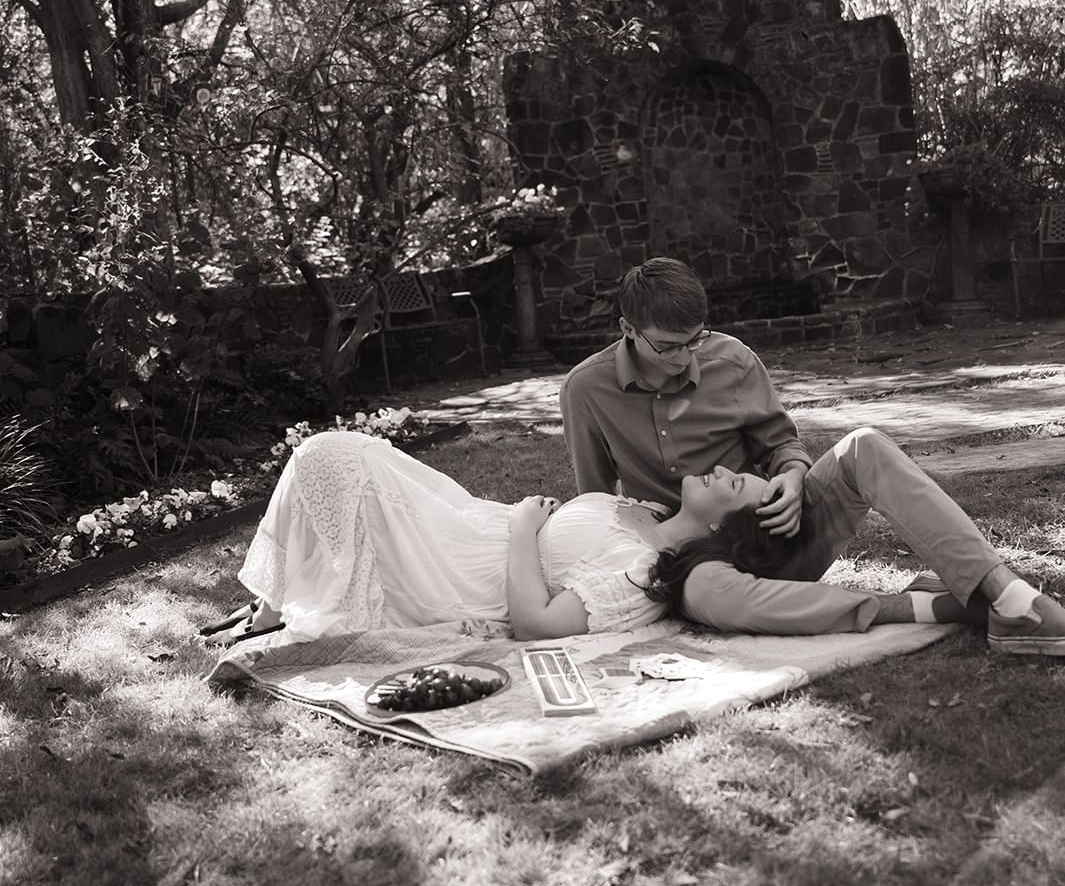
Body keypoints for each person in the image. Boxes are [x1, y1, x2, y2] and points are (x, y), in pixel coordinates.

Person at [560, 257, 1065, 654]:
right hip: (697, 570)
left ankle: (1011, 599)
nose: (685, 358)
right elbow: (598, 504)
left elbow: (783, 444)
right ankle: (937, 604)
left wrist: (795, 477)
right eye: (669, 347)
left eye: (695, 340)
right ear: (628, 330)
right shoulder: (586, 391)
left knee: (864, 443)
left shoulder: (732, 360)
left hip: (781, 535)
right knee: (704, 594)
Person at [199, 427, 668, 646]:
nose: (726, 470)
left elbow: (535, 625)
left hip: (459, 573)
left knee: (329, 455)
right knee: (330, 452)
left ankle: (272, 610)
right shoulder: (653, 509)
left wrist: (525, 527)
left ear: (718, 527)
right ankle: (276, 602)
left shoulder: (650, 569)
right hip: (466, 518)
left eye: (738, 483)